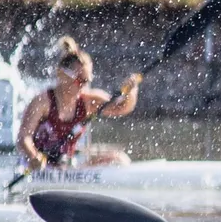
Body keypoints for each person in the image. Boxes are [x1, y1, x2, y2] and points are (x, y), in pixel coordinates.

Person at [15, 37, 142, 171]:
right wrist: (34, 156)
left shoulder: (87, 101)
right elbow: (23, 138)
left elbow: (122, 108)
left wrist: (131, 91)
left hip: (66, 167)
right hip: (35, 168)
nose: (83, 86)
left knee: (120, 159)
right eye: (80, 80)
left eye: (87, 80)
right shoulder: (42, 102)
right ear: (61, 75)